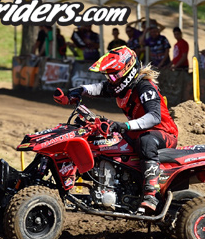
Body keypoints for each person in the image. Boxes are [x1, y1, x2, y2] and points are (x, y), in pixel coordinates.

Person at [53, 46, 178, 214]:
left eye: (113, 75)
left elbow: (154, 117)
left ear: (128, 69)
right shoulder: (121, 85)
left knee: (145, 141)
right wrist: (77, 91)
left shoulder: (145, 87)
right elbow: (99, 88)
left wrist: (123, 125)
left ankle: (151, 195)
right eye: (108, 76)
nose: (110, 79)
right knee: (101, 138)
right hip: (138, 131)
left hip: (164, 133)